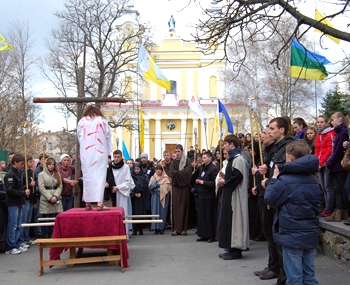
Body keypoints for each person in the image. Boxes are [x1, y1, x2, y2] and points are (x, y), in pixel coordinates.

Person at [264, 140, 320, 285]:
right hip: (310, 232)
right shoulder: (314, 179)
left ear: (291, 158)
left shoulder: (285, 179)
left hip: (292, 233)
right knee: (309, 276)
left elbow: (270, 199)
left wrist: (274, 179)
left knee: (294, 278)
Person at [260, 117, 294, 285]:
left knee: (280, 239)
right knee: (271, 233)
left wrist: (270, 181)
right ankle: (275, 267)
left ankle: (283, 275)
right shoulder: (276, 149)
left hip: (281, 196)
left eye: (272, 128)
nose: (269, 131)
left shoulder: (288, 146)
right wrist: (265, 170)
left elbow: (283, 172)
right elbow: (273, 168)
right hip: (272, 193)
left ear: (281, 130)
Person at [252, 126, 280, 280]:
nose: (263, 135)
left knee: (271, 233)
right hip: (263, 193)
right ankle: (271, 264)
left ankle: (275, 267)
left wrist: (262, 174)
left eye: (266, 132)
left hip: (270, 195)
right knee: (268, 232)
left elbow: (274, 173)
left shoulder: (275, 152)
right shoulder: (267, 153)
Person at [218, 135, 249, 260]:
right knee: (229, 221)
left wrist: (225, 181)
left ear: (232, 144)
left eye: (225, 143)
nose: (224, 146)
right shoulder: (233, 159)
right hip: (230, 194)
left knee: (235, 221)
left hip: (235, 196)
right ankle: (230, 247)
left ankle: (235, 250)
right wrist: (225, 176)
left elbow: (238, 176)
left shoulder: (239, 159)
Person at [77, 106, 113, 211]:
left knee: (87, 177)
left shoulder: (82, 121)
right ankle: (99, 203)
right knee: (100, 177)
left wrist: (82, 150)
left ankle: (87, 203)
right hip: (100, 151)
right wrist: (109, 153)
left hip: (86, 152)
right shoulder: (102, 121)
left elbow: (79, 136)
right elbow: (108, 137)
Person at [325, 112, 350, 222]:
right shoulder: (340, 132)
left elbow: (338, 151)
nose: (331, 122)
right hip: (337, 165)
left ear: (339, 119)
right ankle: (340, 212)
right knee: (339, 189)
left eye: (332, 119)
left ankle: (341, 211)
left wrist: (329, 163)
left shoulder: (343, 132)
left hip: (339, 166)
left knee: (341, 189)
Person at [4, 154, 30, 255]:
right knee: (13, 225)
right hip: (12, 203)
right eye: (21, 164)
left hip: (18, 202)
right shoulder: (10, 174)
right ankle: (11, 246)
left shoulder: (19, 173)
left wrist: (22, 201)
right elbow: (10, 190)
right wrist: (23, 193)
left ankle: (17, 243)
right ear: (15, 163)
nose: (23, 165)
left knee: (19, 225)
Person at [193, 151, 219, 243]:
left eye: (204, 157)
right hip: (201, 194)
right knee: (201, 216)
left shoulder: (213, 169)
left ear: (210, 158)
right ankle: (203, 234)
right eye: (202, 157)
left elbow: (214, 183)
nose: (203, 159)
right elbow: (200, 176)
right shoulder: (202, 167)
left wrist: (203, 182)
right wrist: (198, 180)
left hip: (209, 196)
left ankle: (211, 235)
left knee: (209, 216)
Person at [315, 115, 336, 217]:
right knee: (323, 187)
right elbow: (317, 150)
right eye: (318, 122)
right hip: (320, 165)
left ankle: (329, 208)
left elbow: (330, 151)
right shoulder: (319, 135)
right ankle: (326, 207)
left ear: (327, 123)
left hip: (326, 164)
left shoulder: (330, 134)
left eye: (322, 122)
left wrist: (321, 163)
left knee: (328, 187)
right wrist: (316, 163)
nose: (319, 124)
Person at [169, 144, 192, 236]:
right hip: (175, 187)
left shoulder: (187, 161)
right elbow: (171, 172)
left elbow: (187, 173)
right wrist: (179, 173)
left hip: (184, 188)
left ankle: (183, 229)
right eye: (176, 151)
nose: (177, 153)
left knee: (184, 208)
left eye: (179, 151)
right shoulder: (174, 162)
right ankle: (175, 229)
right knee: (175, 208)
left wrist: (177, 173)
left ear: (182, 151)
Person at [38, 157, 63, 238]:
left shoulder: (57, 174)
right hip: (46, 199)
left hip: (56, 197)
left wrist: (55, 196)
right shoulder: (41, 174)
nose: (51, 166)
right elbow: (41, 188)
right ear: (46, 165)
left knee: (54, 219)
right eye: (49, 164)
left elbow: (60, 186)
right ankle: (46, 235)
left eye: (53, 164)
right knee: (46, 218)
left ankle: (54, 235)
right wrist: (50, 197)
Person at [149, 165, 171, 234]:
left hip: (164, 197)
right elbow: (150, 187)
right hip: (155, 197)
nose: (158, 171)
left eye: (160, 169)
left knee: (162, 212)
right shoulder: (153, 177)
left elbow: (167, 188)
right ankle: (155, 228)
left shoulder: (166, 178)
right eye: (157, 169)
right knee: (155, 211)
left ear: (162, 170)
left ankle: (161, 228)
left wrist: (157, 189)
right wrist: (156, 181)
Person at [21, 156, 36, 247]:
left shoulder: (31, 172)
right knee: (24, 221)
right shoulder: (23, 173)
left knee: (28, 220)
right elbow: (21, 186)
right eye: (30, 162)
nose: (31, 163)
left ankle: (27, 238)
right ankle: (22, 238)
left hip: (31, 199)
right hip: (25, 200)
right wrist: (29, 185)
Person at [33, 154, 48, 238]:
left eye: (46, 159)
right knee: (38, 216)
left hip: (47, 196)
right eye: (43, 159)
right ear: (40, 160)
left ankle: (46, 233)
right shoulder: (36, 171)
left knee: (46, 215)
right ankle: (39, 233)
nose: (45, 161)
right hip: (39, 196)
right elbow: (35, 186)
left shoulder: (49, 171)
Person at [131, 163, 148, 235]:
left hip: (141, 197)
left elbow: (145, 186)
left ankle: (141, 229)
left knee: (141, 212)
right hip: (134, 198)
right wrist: (134, 193)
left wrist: (141, 192)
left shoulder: (143, 176)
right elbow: (130, 185)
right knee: (134, 213)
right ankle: (135, 229)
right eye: (135, 169)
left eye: (138, 169)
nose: (136, 171)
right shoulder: (131, 176)